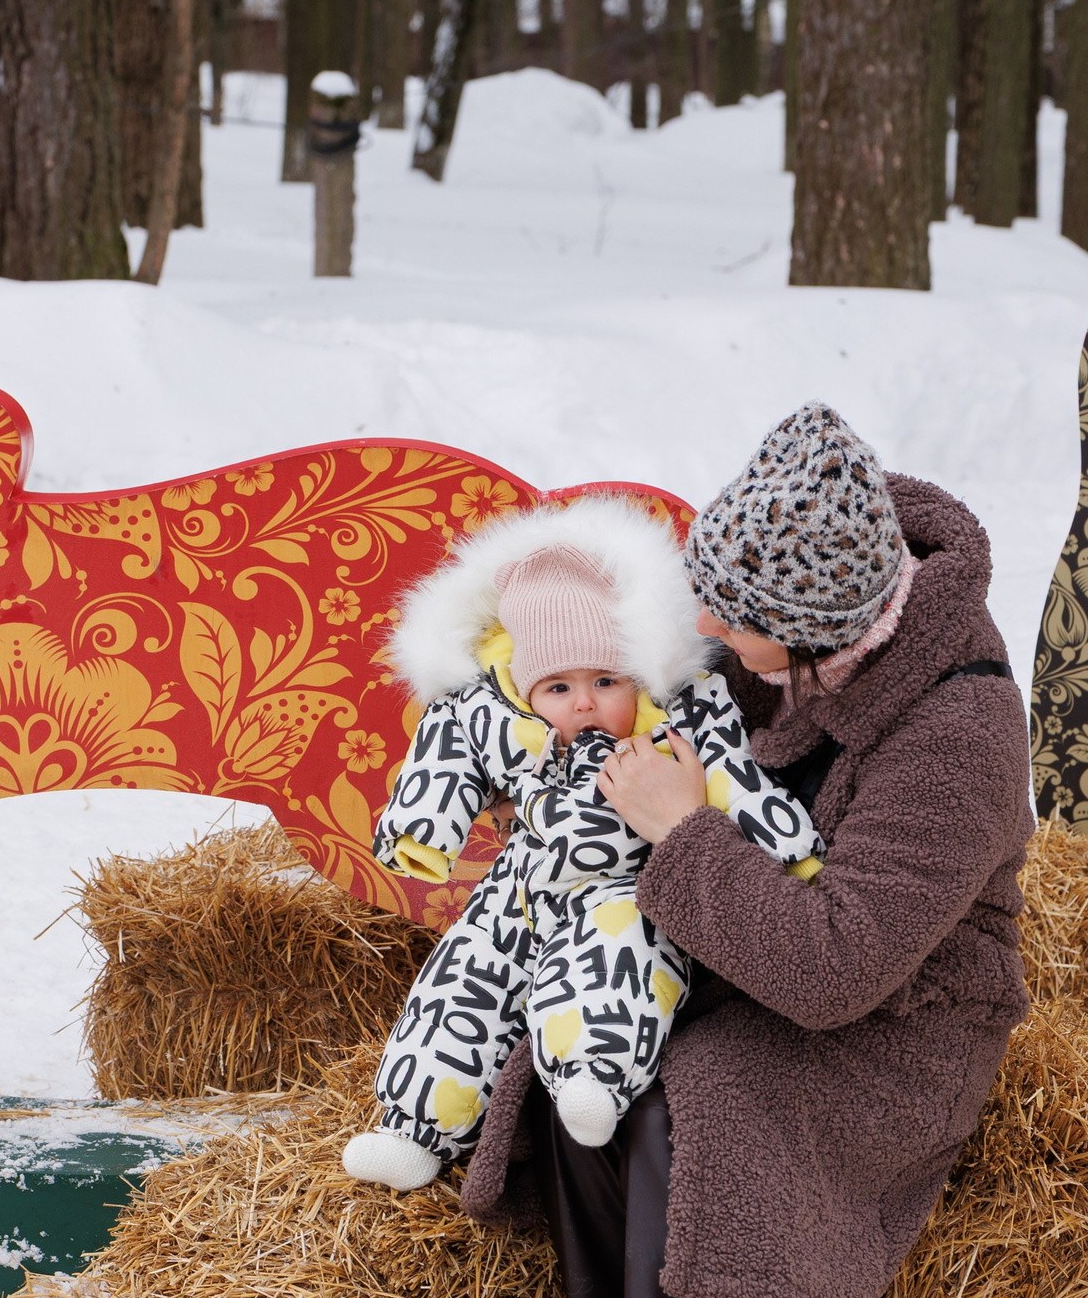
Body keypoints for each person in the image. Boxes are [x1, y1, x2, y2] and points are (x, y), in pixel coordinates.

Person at [462, 403, 1035, 1298]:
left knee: (706, 1099)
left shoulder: (959, 730)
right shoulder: (791, 635)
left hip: (900, 1016)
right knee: (585, 1072)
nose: (705, 631)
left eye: (730, 617)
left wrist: (680, 832)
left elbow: (839, 971)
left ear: (816, 631)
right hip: (745, 951)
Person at [345, 499, 822, 1193]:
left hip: (623, 884)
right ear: (526, 686)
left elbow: (733, 775)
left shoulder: (675, 720)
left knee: (618, 959)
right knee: (463, 981)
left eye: (605, 681)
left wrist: (789, 851)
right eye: (559, 687)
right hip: (518, 889)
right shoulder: (493, 713)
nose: (584, 703)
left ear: (635, 674)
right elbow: (444, 753)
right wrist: (423, 829)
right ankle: (415, 1127)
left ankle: (593, 1076)